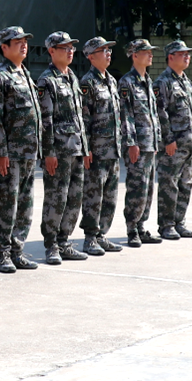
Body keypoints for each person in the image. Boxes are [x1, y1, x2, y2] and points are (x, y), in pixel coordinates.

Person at [0, 26, 42, 273]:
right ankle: (2, 253)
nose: (23, 45)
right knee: (6, 205)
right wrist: (1, 152)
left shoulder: (25, 74)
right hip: (10, 154)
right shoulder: (0, 77)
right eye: (17, 42)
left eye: (25, 41)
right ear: (4, 47)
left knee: (24, 206)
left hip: (28, 152)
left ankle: (17, 250)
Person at [38, 31, 90, 265]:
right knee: (56, 199)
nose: (70, 51)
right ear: (52, 51)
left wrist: (85, 148)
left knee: (74, 198)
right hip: (59, 151)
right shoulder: (47, 80)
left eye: (72, 48)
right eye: (64, 48)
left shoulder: (72, 77)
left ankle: (64, 241)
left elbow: (79, 117)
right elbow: (45, 121)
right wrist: (48, 152)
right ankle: (51, 245)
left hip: (76, 148)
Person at [79, 36, 123, 255]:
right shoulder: (87, 83)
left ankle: (101, 235)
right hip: (96, 150)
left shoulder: (111, 80)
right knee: (93, 196)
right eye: (103, 50)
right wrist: (86, 148)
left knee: (110, 196)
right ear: (90, 56)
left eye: (109, 50)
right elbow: (84, 118)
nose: (108, 54)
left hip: (112, 149)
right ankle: (90, 238)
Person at [154, 40, 192, 240]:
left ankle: (179, 222)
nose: (187, 57)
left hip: (189, 144)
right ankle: (166, 225)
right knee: (169, 184)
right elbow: (160, 113)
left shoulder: (186, 81)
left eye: (188, 54)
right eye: (182, 54)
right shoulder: (163, 82)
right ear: (170, 57)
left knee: (185, 184)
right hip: (173, 144)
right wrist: (168, 139)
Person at [119, 39, 163, 248]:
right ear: (134, 55)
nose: (150, 55)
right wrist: (131, 143)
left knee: (148, 189)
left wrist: (157, 140)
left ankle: (142, 226)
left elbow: (153, 115)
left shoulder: (148, 81)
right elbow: (125, 115)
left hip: (150, 144)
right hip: (137, 145)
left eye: (151, 52)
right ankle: (132, 229)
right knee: (136, 187)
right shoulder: (127, 82)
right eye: (146, 52)